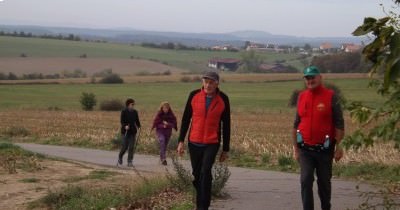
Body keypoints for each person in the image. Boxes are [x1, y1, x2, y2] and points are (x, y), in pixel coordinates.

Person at [177, 71, 231, 210]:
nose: (208, 85)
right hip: (194, 141)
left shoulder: (223, 99)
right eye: (206, 82)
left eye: (211, 82)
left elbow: (226, 124)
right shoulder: (193, 95)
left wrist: (225, 148)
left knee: (206, 171)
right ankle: (200, 199)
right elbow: (185, 119)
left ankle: (203, 206)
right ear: (202, 82)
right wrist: (181, 141)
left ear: (217, 83)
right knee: (197, 175)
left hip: (212, 142)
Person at [293, 66, 345, 210]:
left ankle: (325, 207)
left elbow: (339, 123)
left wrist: (339, 147)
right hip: (305, 149)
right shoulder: (301, 96)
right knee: (305, 180)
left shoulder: (331, 96)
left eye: (312, 77)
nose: (310, 80)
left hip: (324, 150)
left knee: (324, 184)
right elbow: (296, 124)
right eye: (307, 78)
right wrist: (296, 149)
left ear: (320, 78)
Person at [151, 101, 178, 165]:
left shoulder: (171, 115)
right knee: (162, 141)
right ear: (162, 108)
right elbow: (156, 124)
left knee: (164, 146)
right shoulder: (159, 115)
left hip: (168, 132)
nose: (165, 109)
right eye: (164, 108)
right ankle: (163, 159)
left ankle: (161, 158)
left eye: (167, 108)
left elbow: (173, 124)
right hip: (160, 131)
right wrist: (162, 126)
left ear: (169, 109)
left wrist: (167, 124)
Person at [118, 98, 141, 167]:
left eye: (133, 104)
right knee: (125, 147)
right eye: (132, 104)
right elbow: (122, 121)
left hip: (132, 132)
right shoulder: (124, 111)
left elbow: (137, 121)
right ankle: (120, 157)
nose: (133, 106)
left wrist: (139, 126)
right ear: (128, 105)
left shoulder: (135, 112)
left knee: (131, 147)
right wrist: (125, 126)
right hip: (125, 131)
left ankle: (129, 161)